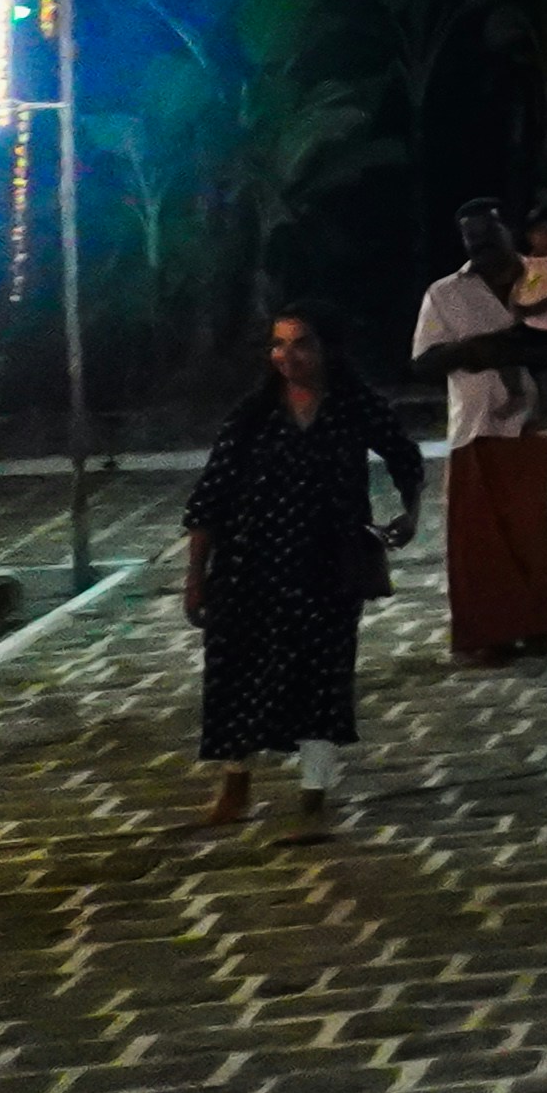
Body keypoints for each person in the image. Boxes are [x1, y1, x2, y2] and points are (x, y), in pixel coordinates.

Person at [184, 304, 424, 839]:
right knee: (238, 674)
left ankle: (313, 800)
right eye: (278, 345)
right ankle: (235, 785)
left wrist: (410, 513)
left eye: (301, 344)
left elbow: (405, 456)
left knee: (322, 676)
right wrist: (196, 577)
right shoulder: (253, 416)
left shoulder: (352, 406)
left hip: (328, 567)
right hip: (250, 566)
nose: (287, 357)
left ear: (326, 349)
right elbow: (210, 499)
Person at [412, 198, 547, 661]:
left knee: (531, 524)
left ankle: (539, 621)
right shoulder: (444, 293)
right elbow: (424, 360)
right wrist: (475, 350)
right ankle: (487, 633)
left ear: (508, 231)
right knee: (477, 537)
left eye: (490, 237)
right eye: (474, 241)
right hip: (476, 424)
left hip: (536, 422)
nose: (483, 247)